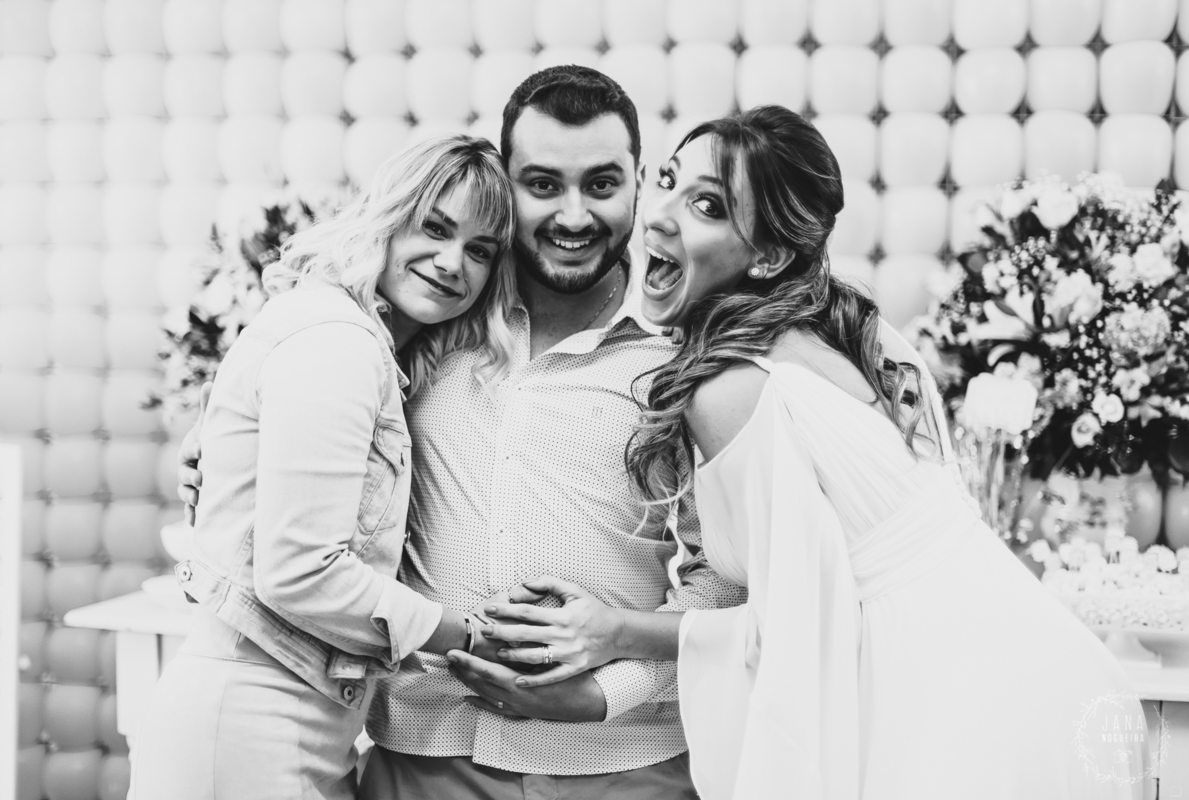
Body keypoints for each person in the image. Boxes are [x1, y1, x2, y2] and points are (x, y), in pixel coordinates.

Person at [482, 106, 1150, 799]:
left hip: (948, 702)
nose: (659, 217)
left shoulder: (731, 390)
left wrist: (613, 630)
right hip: (1038, 661)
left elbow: (794, 629)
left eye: (707, 206)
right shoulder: (857, 332)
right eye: (670, 184)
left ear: (769, 256)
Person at [178, 67, 740, 800]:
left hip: (622, 763)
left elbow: (724, 578)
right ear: (506, 185)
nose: (573, 215)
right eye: (542, 185)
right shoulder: (428, 326)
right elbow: (314, 425)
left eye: (601, 184)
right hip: (423, 755)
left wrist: (607, 694)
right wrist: (223, 448)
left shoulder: (690, 356)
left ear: (638, 182)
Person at [132, 134, 521, 800]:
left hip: (291, 723)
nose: (453, 262)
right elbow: (300, 569)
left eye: (480, 250)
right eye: (435, 228)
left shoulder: (363, 345)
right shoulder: (338, 342)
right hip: (250, 726)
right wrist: (473, 638)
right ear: (389, 218)